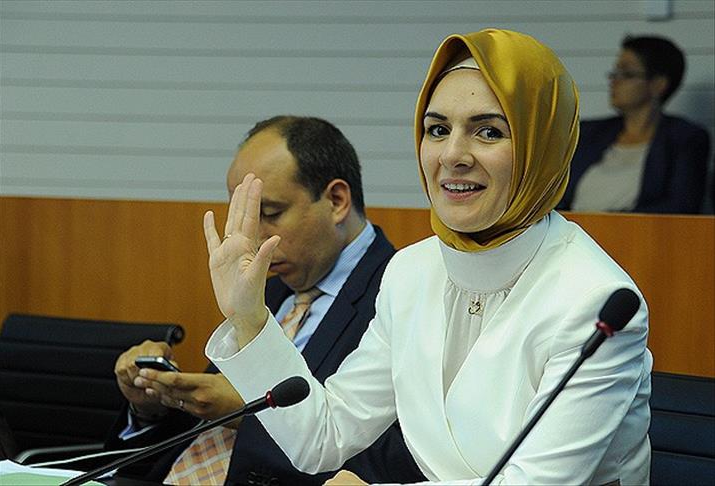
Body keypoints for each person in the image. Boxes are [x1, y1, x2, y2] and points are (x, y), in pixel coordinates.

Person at [194, 29, 652, 485]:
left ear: (542, 148)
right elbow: (322, 437)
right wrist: (250, 319)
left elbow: (537, 483)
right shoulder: (411, 272)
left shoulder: (594, 301)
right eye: (437, 130)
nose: (452, 155)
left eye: (488, 131)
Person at [107, 116, 425, 485]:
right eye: (244, 217)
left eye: (270, 213)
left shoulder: (402, 294)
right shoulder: (271, 291)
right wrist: (151, 407)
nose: (254, 239)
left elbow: (404, 458)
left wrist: (251, 413)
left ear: (337, 201)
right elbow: (195, 439)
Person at [559, 35, 711, 214]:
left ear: (658, 84)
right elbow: (557, 196)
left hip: (639, 230)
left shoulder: (685, 139)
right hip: (574, 228)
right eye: (615, 72)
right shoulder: (588, 132)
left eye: (626, 73)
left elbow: (681, 207)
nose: (614, 81)